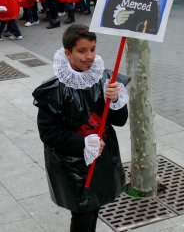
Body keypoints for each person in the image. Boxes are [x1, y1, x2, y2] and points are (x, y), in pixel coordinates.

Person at [33, 24, 129, 232]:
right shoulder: (53, 91)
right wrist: (83, 143)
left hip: (102, 159)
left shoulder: (104, 79)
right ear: (68, 53)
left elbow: (120, 120)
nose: (89, 56)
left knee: (93, 207)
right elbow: (49, 133)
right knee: (83, 214)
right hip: (72, 165)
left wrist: (114, 101)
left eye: (93, 49)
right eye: (82, 51)